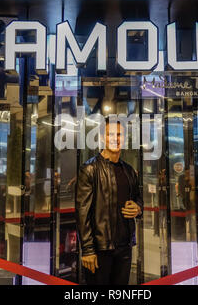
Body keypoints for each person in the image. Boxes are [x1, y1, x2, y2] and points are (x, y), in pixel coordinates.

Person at [75, 117, 143, 285]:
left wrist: (138, 208)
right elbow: (82, 213)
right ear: (102, 137)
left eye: (119, 134)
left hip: (124, 248)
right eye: (110, 134)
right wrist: (88, 249)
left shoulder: (129, 171)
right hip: (99, 250)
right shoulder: (89, 169)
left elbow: (137, 199)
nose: (115, 138)